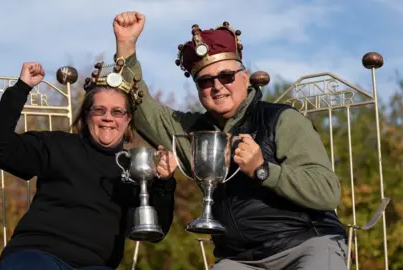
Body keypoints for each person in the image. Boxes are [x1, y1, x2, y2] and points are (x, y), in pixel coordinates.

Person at [111, 11, 348, 270]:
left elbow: (328, 193)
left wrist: (263, 169)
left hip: (306, 244)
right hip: (241, 259)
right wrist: (126, 46)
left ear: (245, 78)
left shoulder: (282, 120)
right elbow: (142, 108)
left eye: (226, 76)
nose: (217, 86)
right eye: (205, 81)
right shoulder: (192, 132)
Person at [0, 60, 178, 270]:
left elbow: (156, 233)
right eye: (99, 110)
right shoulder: (56, 145)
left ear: (128, 120)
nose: (108, 118)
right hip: (37, 253)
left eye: (117, 112)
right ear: (86, 115)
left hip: (95, 265)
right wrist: (22, 88)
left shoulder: (134, 167)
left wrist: (164, 184)